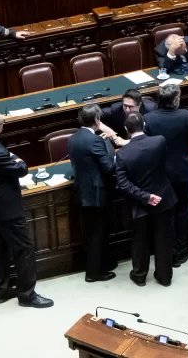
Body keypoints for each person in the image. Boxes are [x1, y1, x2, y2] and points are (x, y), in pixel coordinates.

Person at [0, 110, 53, 307]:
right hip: (7, 207)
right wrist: (12, 156)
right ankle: (27, 295)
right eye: (2, 122)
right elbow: (22, 168)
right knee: (24, 248)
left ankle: (1, 290)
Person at [115, 112, 177, 286]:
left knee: (140, 242)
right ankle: (165, 277)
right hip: (164, 199)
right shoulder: (159, 141)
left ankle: (140, 275)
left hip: (139, 205)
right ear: (144, 124)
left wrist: (146, 197)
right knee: (163, 240)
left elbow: (122, 183)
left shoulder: (123, 154)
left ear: (126, 129)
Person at [144, 84, 188, 266]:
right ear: (175, 99)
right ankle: (181, 249)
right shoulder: (186, 116)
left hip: (161, 174)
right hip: (183, 171)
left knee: (166, 214)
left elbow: (149, 147)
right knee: (182, 211)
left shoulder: (149, 119)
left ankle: (167, 251)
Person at [67, 105, 116, 282]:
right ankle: (94, 273)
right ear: (97, 121)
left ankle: (104, 264)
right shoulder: (95, 140)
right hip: (96, 193)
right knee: (97, 234)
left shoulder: (73, 138)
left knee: (92, 233)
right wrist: (108, 146)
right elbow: (109, 167)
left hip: (83, 191)